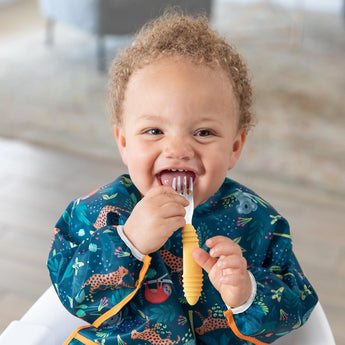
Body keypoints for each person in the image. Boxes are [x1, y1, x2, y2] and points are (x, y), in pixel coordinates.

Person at [48, 11, 318, 345]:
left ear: (235, 147)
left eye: (203, 132)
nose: (177, 149)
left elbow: (299, 307)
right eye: (154, 130)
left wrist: (247, 291)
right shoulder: (101, 212)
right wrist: (127, 242)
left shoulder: (259, 222)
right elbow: (72, 297)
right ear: (124, 143)